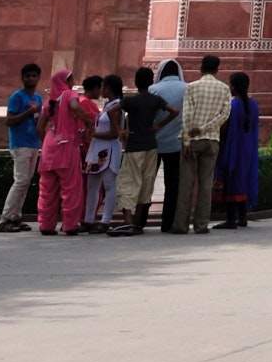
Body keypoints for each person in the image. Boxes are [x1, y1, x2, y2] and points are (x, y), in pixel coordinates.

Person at [34, 69, 97, 235]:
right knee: (71, 188)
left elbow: (40, 127)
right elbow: (75, 107)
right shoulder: (69, 94)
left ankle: (46, 225)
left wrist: (48, 142)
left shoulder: (49, 101)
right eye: (71, 79)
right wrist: (87, 119)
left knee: (47, 190)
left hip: (49, 146)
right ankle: (70, 224)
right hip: (66, 145)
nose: (72, 82)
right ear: (65, 81)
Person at [113, 66, 172, 235]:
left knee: (128, 183)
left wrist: (119, 130)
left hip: (134, 146)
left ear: (136, 82)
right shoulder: (155, 99)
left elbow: (111, 111)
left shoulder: (131, 101)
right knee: (146, 184)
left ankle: (128, 222)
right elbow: (174, 111)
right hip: (151, 146)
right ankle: (138, 223)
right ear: (151, 81)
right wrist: (159, 125)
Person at [177, 54, 230, 234]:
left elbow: (187, 116)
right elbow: (224, 115)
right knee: (206, 185)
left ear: (201, 68)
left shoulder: (192, 87)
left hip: (193, 141)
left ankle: (181, 225)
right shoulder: (224, 89)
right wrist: (207, 128)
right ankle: (201, 225)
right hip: (212, 140)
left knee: (186, 184)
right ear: (217, 69)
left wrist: (187, 139)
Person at [0, 63, 44, 233]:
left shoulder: (38, 98)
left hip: (33, 143)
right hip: (19, 143)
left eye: (34, 75)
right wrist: (28, 113)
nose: (31, 78)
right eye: (28, 76)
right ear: (22, 78)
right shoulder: (17, 96)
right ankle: (5, 219)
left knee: (25, 182)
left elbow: (38, 120)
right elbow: (9, 121)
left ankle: (15, 217)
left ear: (38, 78)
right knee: (21, 181)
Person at [215, 72, 261, 229]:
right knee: (243, 180)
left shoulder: (233, 105)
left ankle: (230, 220)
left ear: (233, 86)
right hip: (248, 149)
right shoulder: (253, 104)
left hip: (234, 148)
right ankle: (242, 217)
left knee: (231, 179)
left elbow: (225, 128)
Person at [148, 58, 188, 232]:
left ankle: (140, 218)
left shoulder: (153, 89)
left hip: (155, 142)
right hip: (176, 143)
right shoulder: (187, 89)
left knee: (148, 182)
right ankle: (168, 222)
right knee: (173, 185)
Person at [82, 76, 122, 231]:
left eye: (103, 86)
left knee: (109, 185)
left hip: (109, 149)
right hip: (98, 149)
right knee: (92, 185)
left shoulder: (116, 106)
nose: (101, 89)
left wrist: (94, 135)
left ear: (109, 88)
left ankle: (105, 221)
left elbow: (114, 133)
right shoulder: (108, 105)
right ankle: (88, 219)